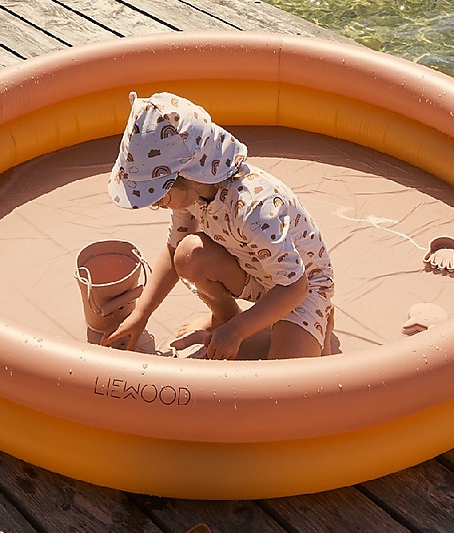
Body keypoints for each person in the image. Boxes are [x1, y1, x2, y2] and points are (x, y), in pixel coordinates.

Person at [104, 91, 334, 360]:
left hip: (301, 286)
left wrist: (237, 332)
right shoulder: (192, 195)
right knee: (189, 254)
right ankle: (226, 319)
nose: (157, 205)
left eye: (159, 196)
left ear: (189, 175)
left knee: (287, 382)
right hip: (257, 270)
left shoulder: (255, 209)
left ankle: (321, 315)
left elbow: (295, 286)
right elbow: (173, 250)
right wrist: (141, 313)